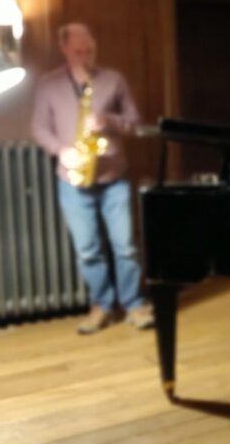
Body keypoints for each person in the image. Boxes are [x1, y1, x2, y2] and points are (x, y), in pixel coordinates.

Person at [31, 22, 154, 335]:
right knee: (87, 249)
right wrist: (61, 151)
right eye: (77, 51)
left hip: (113, 175)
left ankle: (134, 304)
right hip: (72, 177)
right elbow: (39, 128)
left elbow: (135, 123)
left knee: (125, 245)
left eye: (89, 51)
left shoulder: (113, 80)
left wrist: (109, 120)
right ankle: (100, 305)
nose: (84, 56)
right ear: (64, 49)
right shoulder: (49, 84)